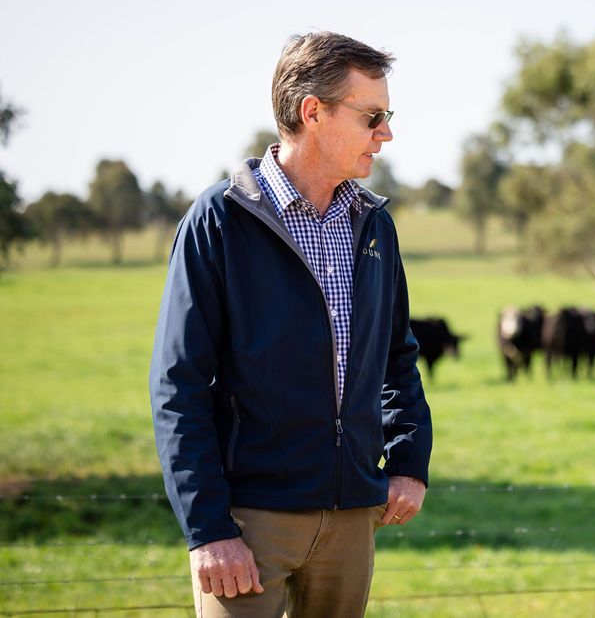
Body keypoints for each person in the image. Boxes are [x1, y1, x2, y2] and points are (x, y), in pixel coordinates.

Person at [150, 31, 432, 617]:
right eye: (373, 116)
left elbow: (397, 357)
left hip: (353, 516)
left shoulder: (374, 225)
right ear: (313, 113)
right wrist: (208, 530)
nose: (386, 133)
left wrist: (408, 461)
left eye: (388, 116)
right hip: (247, 525)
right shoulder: (219, 221)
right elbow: (179, 386)